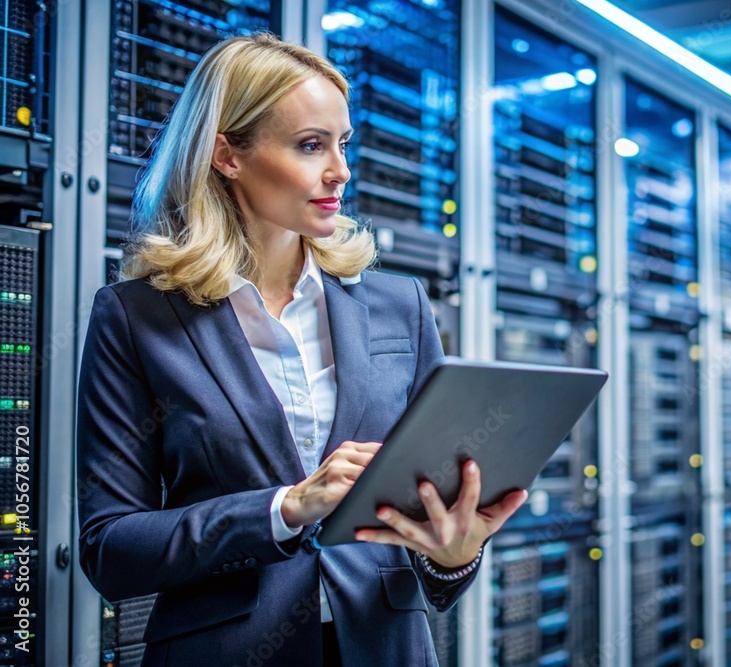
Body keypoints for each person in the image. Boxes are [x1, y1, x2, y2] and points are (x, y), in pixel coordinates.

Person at [76, 32, 527, 666]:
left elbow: (432, 521)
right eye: (311, 145)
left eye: (343, 144)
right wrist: (284, 508)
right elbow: (111, 548)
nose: (340, 169)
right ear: (226, 154)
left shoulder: (401, 306)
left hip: (384, 647)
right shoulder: (136, 318)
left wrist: (455, 556)